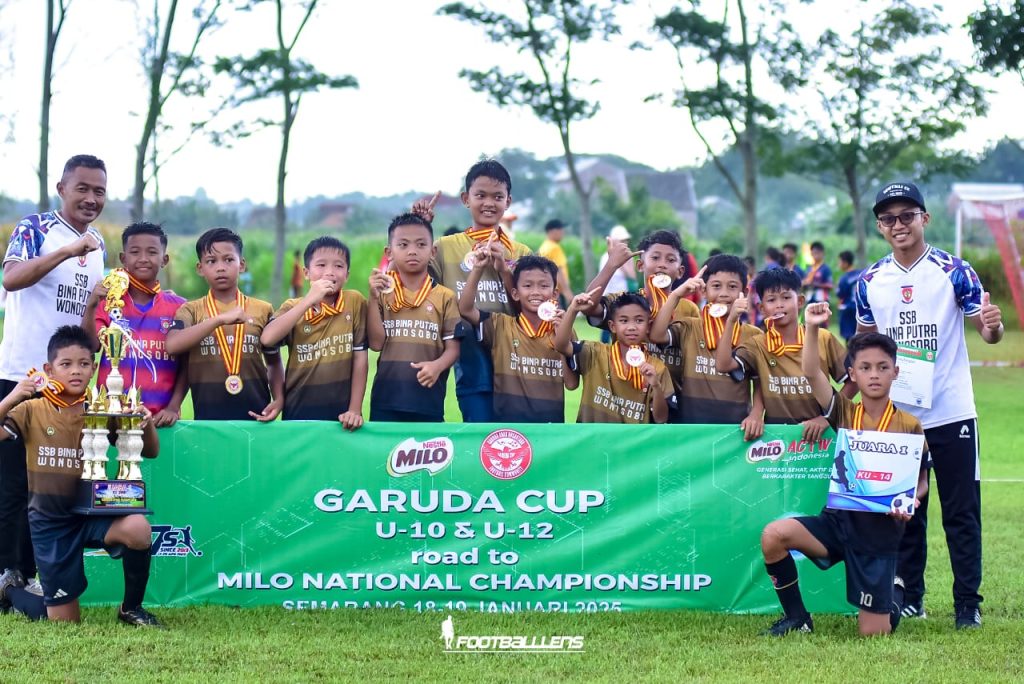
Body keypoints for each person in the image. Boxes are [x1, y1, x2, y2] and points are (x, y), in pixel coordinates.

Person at [855, 181, 1003, 629]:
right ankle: (910, 596)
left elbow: (987, 330)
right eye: (888, 219)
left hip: (952, 412)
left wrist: (994, 328)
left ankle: (966, 605)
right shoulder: (869, 281)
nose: (898, 225)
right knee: (903, 510)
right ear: (880, 226)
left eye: (906, 216)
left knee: (961, 512)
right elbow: (864, 346)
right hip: (898, 416)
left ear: (925, 218)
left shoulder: (955, 270)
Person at [759, 309, 929, 637]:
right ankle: (797, 618)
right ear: (852, 372)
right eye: (865, 368)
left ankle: (894, 591)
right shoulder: (844, 411)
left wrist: (910, 499)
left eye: (882, 367)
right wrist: (810, 327)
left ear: (896, 371)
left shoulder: (910, 425)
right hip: (837, 524)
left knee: (872, 634)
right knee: (773, 536)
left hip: (878, 535)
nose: (874, 375)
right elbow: (811, 372)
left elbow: (921, 480)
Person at [0, 326, 162, 626]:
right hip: (51, 523)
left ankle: (131, 609)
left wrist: (145, 424)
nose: (76, 371)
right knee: (64, 622)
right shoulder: (32, 409)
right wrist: (11, 398)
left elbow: (150, 452)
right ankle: (10, 590)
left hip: (90, 514)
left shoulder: (101, 410)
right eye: (66, 364)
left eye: (84, 364)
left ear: (94, 368)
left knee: (138, 528)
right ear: (49, 369)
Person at [0, 154, 108, 598]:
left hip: (70, 384)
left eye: (99, 190)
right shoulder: (35, 229)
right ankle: (9, 573)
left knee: (56, 482)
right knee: (11, 483)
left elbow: (85, 320)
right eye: (82, 188)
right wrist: (65, 251)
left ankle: (47, 575)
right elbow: (10, 279)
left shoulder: (99, 243)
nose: (90, 198)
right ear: (62, 188)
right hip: (21, 376)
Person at [420, 160, 531, 423]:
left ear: (508, 201)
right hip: (469, 358)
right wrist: (420, 227)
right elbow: (410, 279)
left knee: (515, 441)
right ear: (466, 199)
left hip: (514, 361)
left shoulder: (522, 253)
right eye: (480, 195)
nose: (489, 203)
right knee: (479, 431)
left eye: (497, 196)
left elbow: (529, 312)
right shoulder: (445, 247)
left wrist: (504, 269)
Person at [714, 268, 850, 443]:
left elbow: (853, 380)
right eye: (771, 300)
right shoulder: (758, 344)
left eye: (786, 298)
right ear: (762, 308)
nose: (779, 305)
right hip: (776, 439)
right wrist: (732, 319)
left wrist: (828, 417)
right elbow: (723, 365)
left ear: (800, 301)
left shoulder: (822, 337)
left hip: (820, 437)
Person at [166, 228, 284, 421]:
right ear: (200, 268)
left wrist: (279, 398)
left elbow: (274, 361)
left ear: (242, 264)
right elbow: (172, 345)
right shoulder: (190, 310)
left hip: (257, 416)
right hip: (207, 417)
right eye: (211, 261)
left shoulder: (263, 309)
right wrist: (219, 320)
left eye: (229, 260)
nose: (220, 267)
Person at [82, 222, 187, 426]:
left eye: (152, 252)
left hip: (158, 420)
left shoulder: (180, 308)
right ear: (123, 258)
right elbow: (91, 346)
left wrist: (173, 407)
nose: (143, 259)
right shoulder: (107, 303)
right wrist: (92, 304)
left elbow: (187, 364)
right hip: (109, 419)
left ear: (164, 259)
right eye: (135, 252)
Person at [649, 254, 764, 434]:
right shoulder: (690, 326)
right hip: (691, 428)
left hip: (736, 429)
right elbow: (656, 335)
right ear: (703, 291)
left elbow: (760, 381)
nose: (724, 294)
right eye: (716, 286)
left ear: (746, 293)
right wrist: (677, 295)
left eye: (732, 287)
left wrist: (756, 414)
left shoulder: (753, 335)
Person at [261, 236, 367, 427]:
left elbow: (361, 358)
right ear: (306, 273)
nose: (330, 272)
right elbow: (268, 339)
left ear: (347, 275)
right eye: (321, 265)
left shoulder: (355, 302)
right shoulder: (293, 306)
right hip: (298, 409)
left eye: (338, 266)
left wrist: (355, 409)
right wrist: (309, 300)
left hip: (341, 414)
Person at [458, 254, 577, 423]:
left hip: (551, 428)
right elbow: (465, 309)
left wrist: (562, 340)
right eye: (527, 286)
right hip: (507, 427)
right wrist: (478, 269)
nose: (535, 292)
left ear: (555, 293)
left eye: (544, 286)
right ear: (515, 293)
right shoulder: (500, 325)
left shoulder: (564, 331)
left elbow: (571, 384)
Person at [368, 213, 460, 422]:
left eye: (420, 244)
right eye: (403, 245)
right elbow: (375, 344)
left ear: (433, 251)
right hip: (386, 397)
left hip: (428, 399)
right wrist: (372, 299)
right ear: (389, 252)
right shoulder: (382, 293)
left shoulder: (445, 297)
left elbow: (453, 349)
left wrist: (437, 366)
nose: (412, 251)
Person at [554, 291, 673, 424]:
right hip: (592, 441)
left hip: (634, 444)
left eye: (639, 321)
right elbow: (561, 346)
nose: (632, 327)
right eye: (624, 321)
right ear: (612, 326)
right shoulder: (594, 353)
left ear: (648, 326)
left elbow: (661, 419)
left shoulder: (657, 368)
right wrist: (572, 310)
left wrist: (656, 386)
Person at [597, 226, 636, 342]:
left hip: (622, 298)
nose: (624, 243)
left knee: (621, 328)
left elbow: (632, 277)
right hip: (607, 297)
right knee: (605, 327)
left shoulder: (629, 257)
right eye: (621, 241)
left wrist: (621, 262)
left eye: (625, 241)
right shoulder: (605, 257)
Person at [538, 219, 574, 306]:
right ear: (551, 231)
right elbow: (558, 271)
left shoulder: (544, 247)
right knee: (561, 318)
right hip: (556, 292)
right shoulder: (554, 248)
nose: (563, 232)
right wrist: (567, 293)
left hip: (547, 290)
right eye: (560, 229)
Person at [835, 250, 861, 342]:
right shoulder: (861, 274)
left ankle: (851, 355)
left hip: (848, 309)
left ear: (845, 263)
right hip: (860, 309)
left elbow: (840, 294)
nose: (839, 264)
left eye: (840, 262)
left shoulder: (843, 279)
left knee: (849, 338)